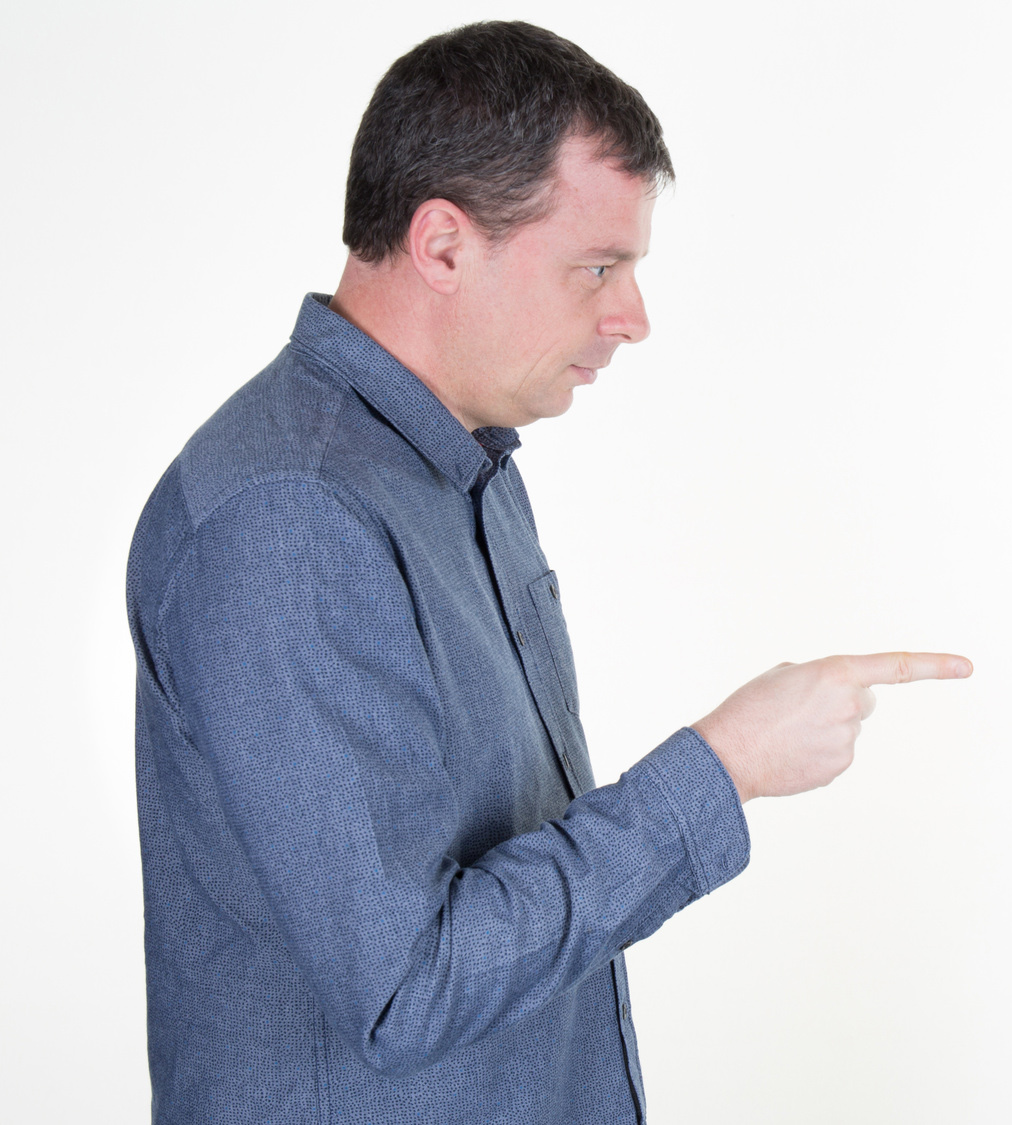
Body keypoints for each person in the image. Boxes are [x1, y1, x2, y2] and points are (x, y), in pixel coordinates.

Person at [124, 21, 969, 1124]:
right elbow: (408, 990)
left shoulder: (460, 464)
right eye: (598, 267)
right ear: (441, 246)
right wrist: (724, 768)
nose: (633, 318)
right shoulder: (290, 517)